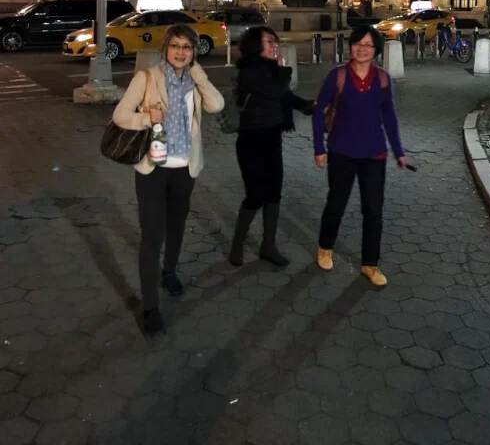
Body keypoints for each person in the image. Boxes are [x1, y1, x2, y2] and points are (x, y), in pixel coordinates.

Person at [113, 24, 224, 336]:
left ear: (194, 52)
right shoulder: (147, 77)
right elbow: (120, 115)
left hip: (185, 168)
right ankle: (150, 307)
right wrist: (146, 118)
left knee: (176, 226)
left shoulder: (194, 82)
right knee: (152, 236)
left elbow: (217, 105)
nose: (180, 52)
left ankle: (170, 271)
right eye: (175, 45)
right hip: (153, 169)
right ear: (166, 49)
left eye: (187, 47)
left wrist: (199, 73)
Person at [312, 25, 408, 287]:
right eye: (358, 43)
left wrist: (399, 151)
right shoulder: (338, 75)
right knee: (336, 203)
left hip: (374, 153)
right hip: (341, 151)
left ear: (376, 50)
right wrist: (319, 148)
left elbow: (389, 117)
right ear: (351, 46)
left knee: (373, 210)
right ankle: (325, 247)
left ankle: (370, 264)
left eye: (368, 45)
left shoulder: (383, 79)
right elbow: (319, 112)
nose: (362, 49)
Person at [229, 26, 313, 267]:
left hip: (272, 139)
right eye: (269, 42)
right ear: (255, 46)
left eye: (275, 41)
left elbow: (286, 97)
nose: (275, 46)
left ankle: (268, 246)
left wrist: (310, 107)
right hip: (251, 141)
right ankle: (237, 244)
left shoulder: (271, 71)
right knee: (255, 196)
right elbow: (276, 91)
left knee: (274, 193)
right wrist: (283, 68)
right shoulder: (249, 71)